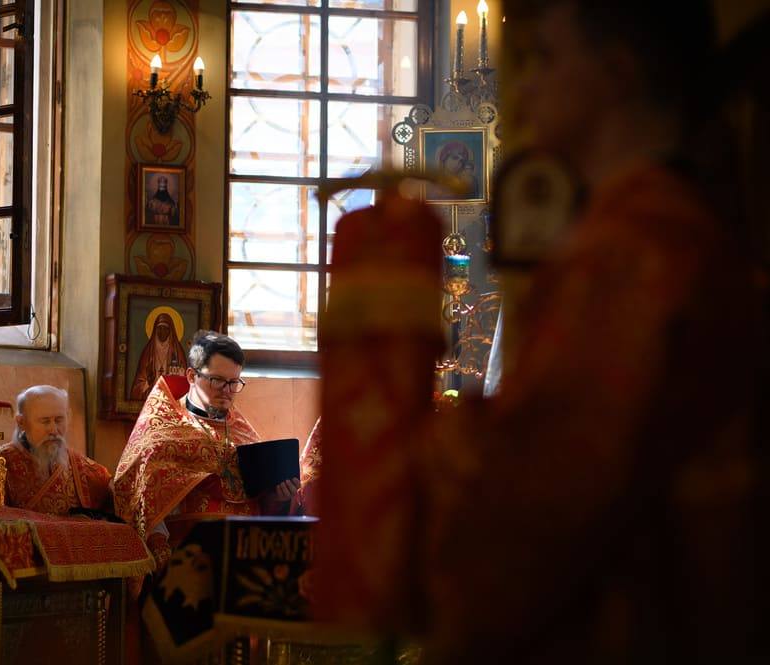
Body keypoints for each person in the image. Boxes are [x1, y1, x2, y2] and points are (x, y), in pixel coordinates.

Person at [316, 1, 764, 663]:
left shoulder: (634, 252)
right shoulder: (658, 229)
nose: (525, 84)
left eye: (548, 57)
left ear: (617, 73)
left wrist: (396, 437)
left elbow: (539, 490)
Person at [114, 330, 300, 568]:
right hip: (187, 558)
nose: (227, 391)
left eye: (234, 382)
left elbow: (261, 506)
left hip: (244, 558)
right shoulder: (161, 430)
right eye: (217, 380)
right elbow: (139, 495)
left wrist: (278, 497)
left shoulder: (244, 433)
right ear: (192, 376)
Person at [0, 385, 113, 515]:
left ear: (68, 416)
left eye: (59, 420)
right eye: (45, 421)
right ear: (21, 422)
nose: (54, 430)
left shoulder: (89, 472)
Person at [130, 311, 188, 400]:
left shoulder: (177, 351)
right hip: (152, 396)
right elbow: (139, 383)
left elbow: (183, 379)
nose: (162, 332)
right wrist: (148, 382)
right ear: (155, 330)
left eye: (165, 328)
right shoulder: (148, 351)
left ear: (170, 330)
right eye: (159, 328)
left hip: (171, 397)